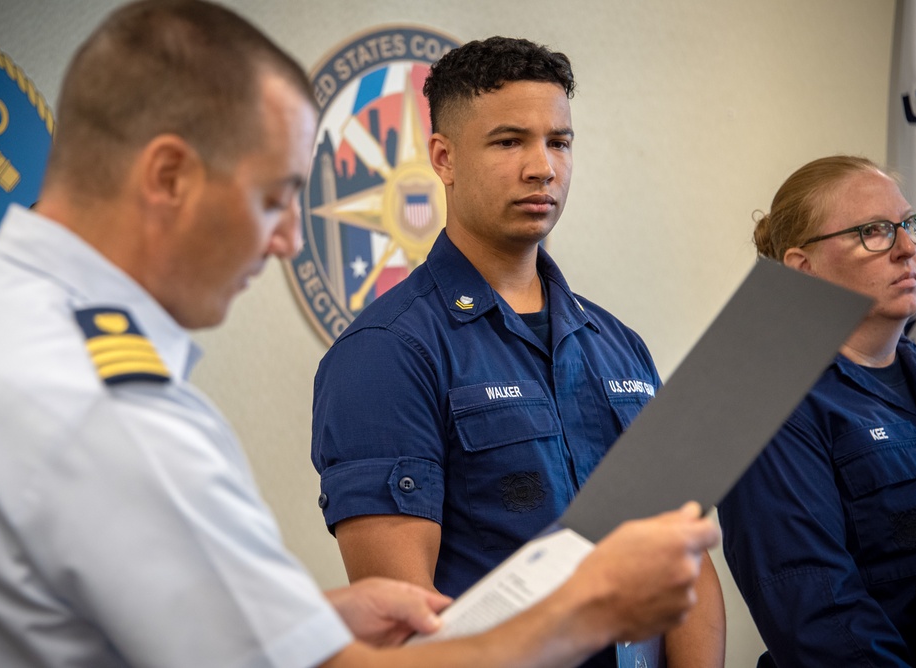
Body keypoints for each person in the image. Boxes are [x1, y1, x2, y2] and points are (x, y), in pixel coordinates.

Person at [0, 2, 721, 667]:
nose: (286, 243)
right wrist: (596, 602)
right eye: (274, 199)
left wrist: (311, 616)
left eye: (558, 143)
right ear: (168, 175)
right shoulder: (113, 406)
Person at [310, 36, 725, 667]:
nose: (543, 167)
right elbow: (403, 617)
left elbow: (685, 566)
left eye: (559, 142)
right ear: (443, 159)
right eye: (509, 142)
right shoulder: (386, 352)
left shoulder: (618, 345)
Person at [719, 155, 916, 667]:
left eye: (910, 225)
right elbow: (820, 619)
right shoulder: (767, 402)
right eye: (874, 232)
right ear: (802, 268)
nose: (906, 249)